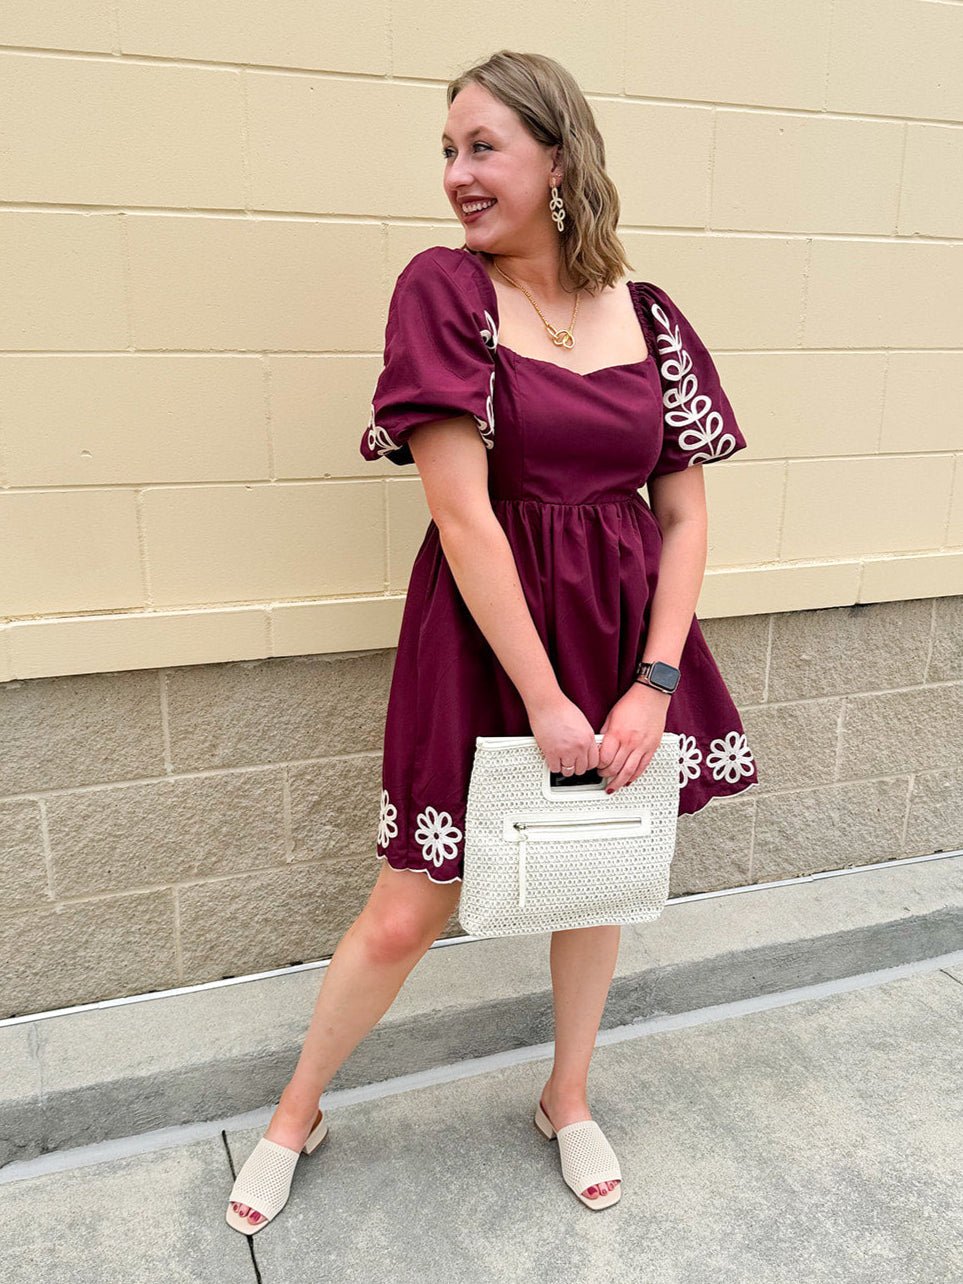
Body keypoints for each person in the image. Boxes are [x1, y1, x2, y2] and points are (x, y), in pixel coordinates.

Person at [227, 49, 759, 1233]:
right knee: (408, 908)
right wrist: (548, 700)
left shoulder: (650, 315)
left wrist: (652, 683)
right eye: (448, 152)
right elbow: (464, 518)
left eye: (483, 147)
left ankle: (566, 1096)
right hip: (488, 641)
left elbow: (683, 514)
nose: (458, 174)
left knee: (596, 875)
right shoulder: (444, 292)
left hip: (623, 640)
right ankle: (296, 1112)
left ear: (558, 160)